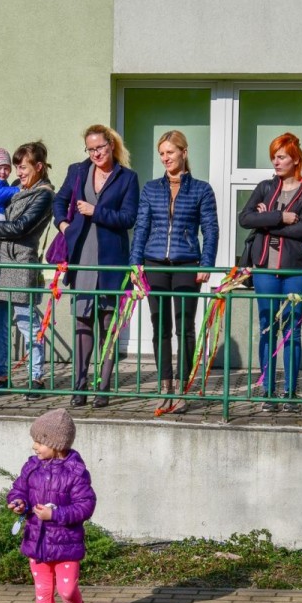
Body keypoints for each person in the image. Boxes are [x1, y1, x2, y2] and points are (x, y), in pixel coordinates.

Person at [129, 130, 219, 413]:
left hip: (187, 264)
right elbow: (141, 228)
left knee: (185, 327)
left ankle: (182, 387)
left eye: (170, 152)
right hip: (154, 263)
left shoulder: (201, 189)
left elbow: (211, 229)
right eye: (162, 154)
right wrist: (135, 264)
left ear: (184, 152)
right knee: (160, 327)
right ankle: (164, 385)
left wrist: (206, 263)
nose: (165, 158)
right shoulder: (151, 188)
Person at [53, 125, 140, 408]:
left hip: (112, 260)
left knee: (108, 325)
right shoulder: (78, 171)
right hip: (82, 257)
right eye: (90, 149)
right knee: (82, 322)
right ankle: (79, 388)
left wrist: (96, 212)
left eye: (100, 148)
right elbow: (59, 201)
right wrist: (63, 225)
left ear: (111, 145)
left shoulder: (127, 178)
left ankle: (103, 389)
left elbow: (129, 218)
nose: (96, 154)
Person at [238, 132, 302, 412]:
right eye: (274, 156)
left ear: (295, 159)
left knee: (292, 331)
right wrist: (279, 217)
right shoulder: (265, 186)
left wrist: (265, 221)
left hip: (295, 271)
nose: (276, 161)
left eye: (281, 156)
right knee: (267, 329)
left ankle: (291, 393)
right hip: (264, 270)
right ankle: (268, 391)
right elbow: (245, 218)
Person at [8, 408, 97, 603]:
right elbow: (19, 489)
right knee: (43, 591)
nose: (34, 446)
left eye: (39, 441)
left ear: (56, 444)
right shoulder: (31, 467)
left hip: (66, 543)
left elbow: (85, 506)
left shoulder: (76, 473)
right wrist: (18, 502)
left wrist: (55, 515)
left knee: (67, 590)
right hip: (37, 541)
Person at [0, 141, 55, 399]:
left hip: (20, 265)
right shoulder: (13, 188)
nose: (18, 172)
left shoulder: (44, 195)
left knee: (27, 324)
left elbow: (21, 227)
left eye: (23, 167)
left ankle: (35, 378)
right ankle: (1, 376)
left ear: (39, 167)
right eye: (17, 167)